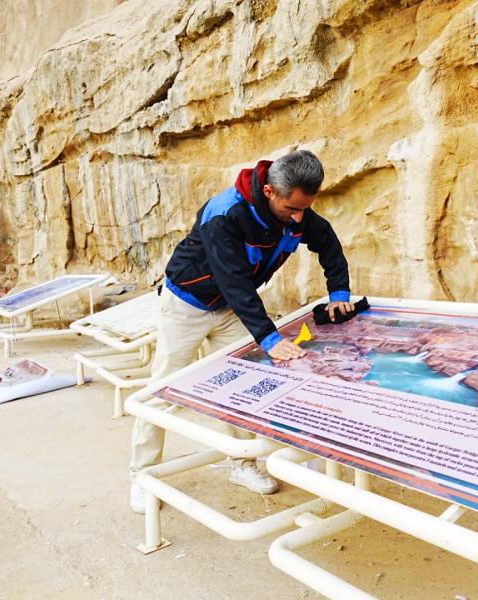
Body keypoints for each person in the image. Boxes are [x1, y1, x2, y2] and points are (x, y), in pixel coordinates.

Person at [129, 149, 354, 513]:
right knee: (162, 390)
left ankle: (242, 463)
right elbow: (233, 280)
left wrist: (339, 292)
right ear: (268, 191)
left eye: (305, 209)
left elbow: (326, 240)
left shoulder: (295, 212)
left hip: (230, 309)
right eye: (292, 209)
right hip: (186, 305)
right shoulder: (225, 213)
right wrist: (268, 338)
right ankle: (141, 475)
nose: (299, 217)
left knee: (244, 385)